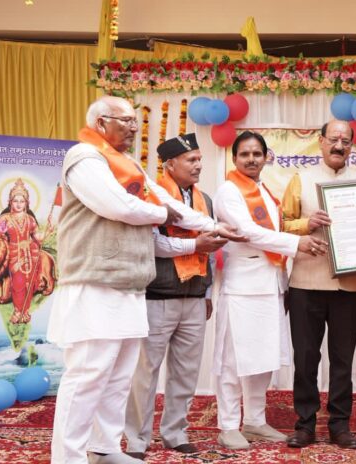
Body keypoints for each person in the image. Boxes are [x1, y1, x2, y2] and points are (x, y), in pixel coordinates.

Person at [47, 96, 244, 464]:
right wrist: (162, 212)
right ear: (101, 123)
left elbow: (173, 207)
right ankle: (67, 457)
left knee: (119, 375)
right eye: (125, 120)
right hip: (96, 282)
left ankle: (105, 448)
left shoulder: (129, 165)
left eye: (135, 120)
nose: (134, 127)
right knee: (88, 374)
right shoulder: (84, 157)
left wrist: (213, 225)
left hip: (132, 284)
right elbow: (119, 206)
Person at [212, 131, 328, 450]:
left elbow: (274, 231)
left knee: (262, 358)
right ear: (234, 158)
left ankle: (254, 421)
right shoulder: (229, 191)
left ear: (266, 157)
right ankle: (227, 425)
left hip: (270, 284)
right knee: (233, 360)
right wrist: (297, 243)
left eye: (257, 154)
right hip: (241, 287)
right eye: (244, 154)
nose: (251, 159)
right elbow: (248, 233)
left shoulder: (264, 190)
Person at [124, 133, 227, 459]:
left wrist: (207, 292)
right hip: (158, 297)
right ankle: (137, 441)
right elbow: (152, 245)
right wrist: (195, 244)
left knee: (186, 372)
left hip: (194, 297)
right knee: (145, 374)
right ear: (170, 164)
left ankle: (175, 433)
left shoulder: (205, 199)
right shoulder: (150, 196)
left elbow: (211, 251)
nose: (198, 165)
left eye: (199, 159)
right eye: (191, 160)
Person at [282, 120, 356, 450]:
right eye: (333, 139)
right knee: (305, 359)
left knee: (343, 360)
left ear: (352, 146)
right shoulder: (300, 180)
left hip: (349, 285)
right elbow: (281, 225)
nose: (339, 146)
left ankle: (340, 426)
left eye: (345, 141)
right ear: (320, 141)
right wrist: (307, 223)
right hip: (306, 282)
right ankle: (305, 425)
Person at [0, 178, 56, 324]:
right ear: (10, 202)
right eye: (16, 201)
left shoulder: (30, 220)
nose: (19, 204)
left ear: (26, 203)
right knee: (18, 282)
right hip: (12, 253)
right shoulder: (4, 219)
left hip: (30, 253)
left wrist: (48, 231)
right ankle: (17, 311)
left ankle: (25, 312)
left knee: (29, 282)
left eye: (22, 201)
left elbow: (37, 237)